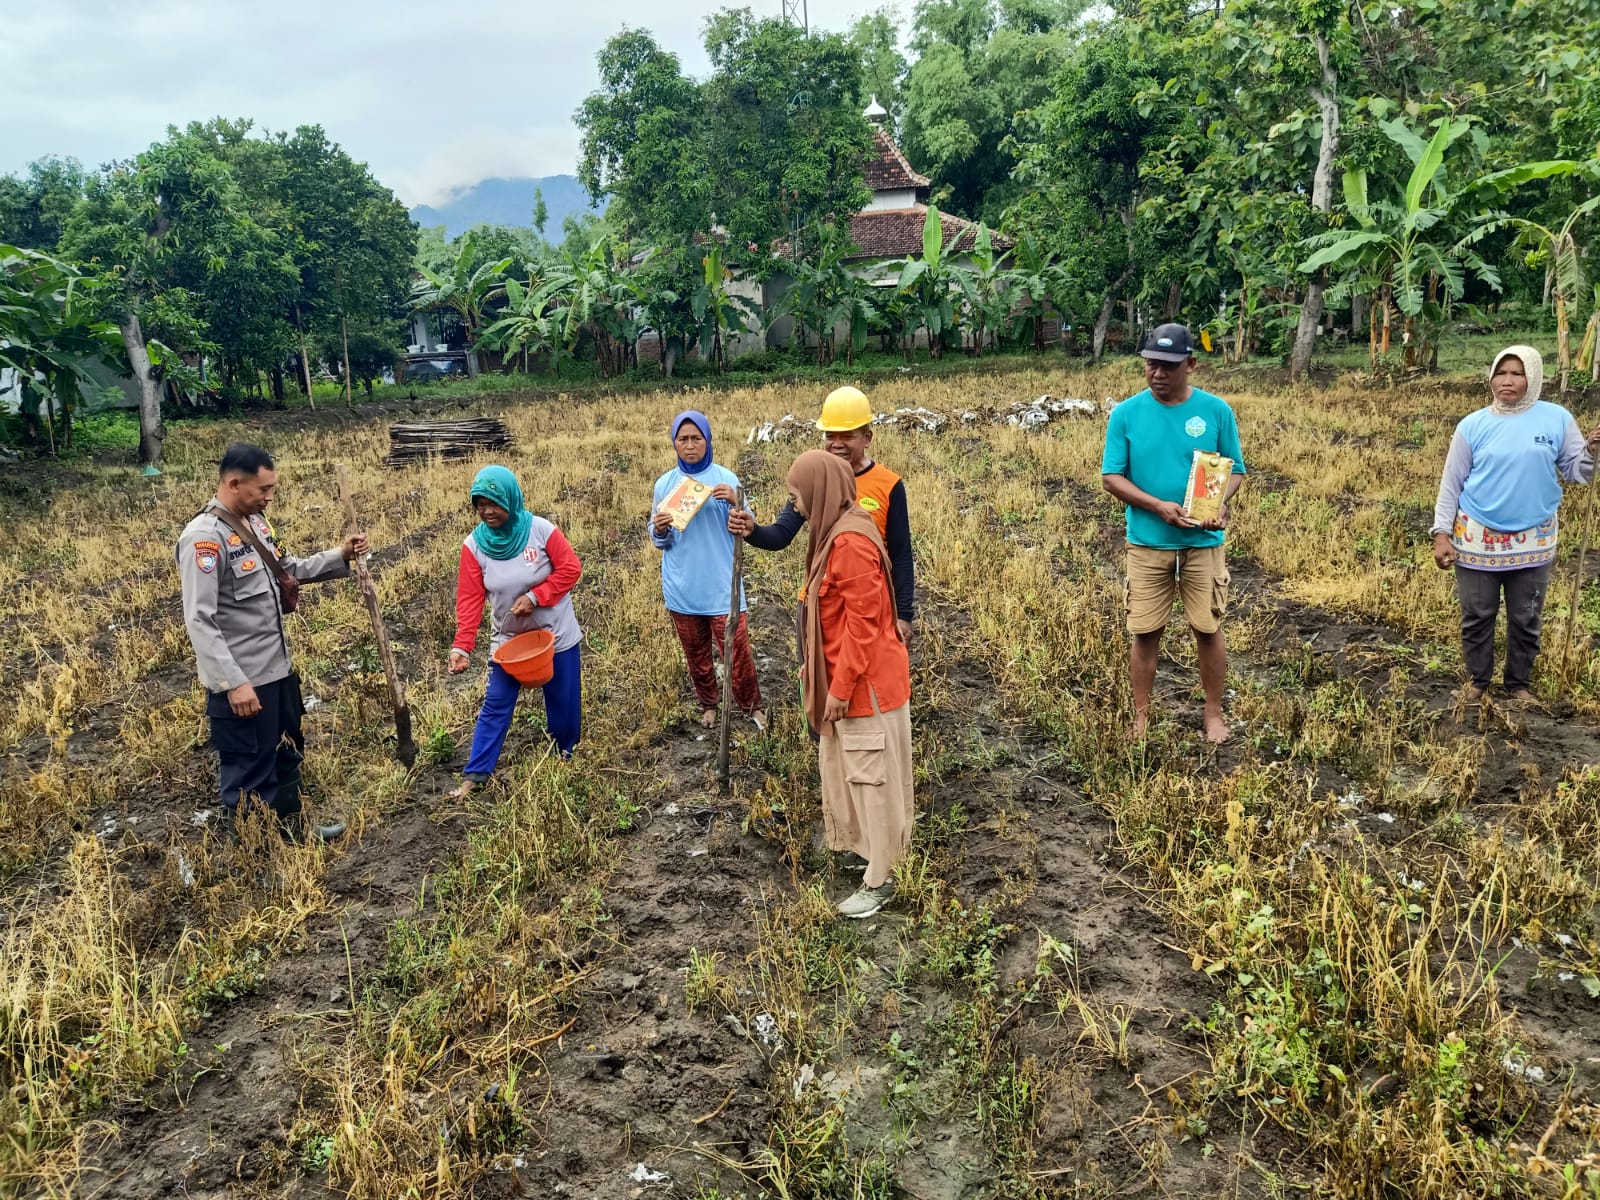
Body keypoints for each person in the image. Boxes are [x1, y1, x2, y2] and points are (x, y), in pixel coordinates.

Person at [177, 442, 365, 842]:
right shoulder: (204, 539)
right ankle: (257, 854)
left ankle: (294, 833)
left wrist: (341, 555)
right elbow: (200, 619)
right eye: (263, 489)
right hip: (244, 679)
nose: (269, 497)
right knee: (248, 769)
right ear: (233, 483)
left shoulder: (256, 525)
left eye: (271, 488)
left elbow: (288, 568)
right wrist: (233, 683)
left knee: (285, 752)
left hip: (277, 669)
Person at [1101, 323, 1246, 744]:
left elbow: (1234, 468)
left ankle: (1213, 714)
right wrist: (1157, 506)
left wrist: (1218, 505)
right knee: (1145, 631)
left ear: (1191, 364)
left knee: (1208, 628)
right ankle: (1141, 718)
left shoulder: (1216, 411)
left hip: (1202, 544)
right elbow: (1112, 477)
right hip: (1147, 542)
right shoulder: (1126, 414)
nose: (1158, 374)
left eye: (1168, 366)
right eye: (1151, 365)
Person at [1431, 345, 1600, 702]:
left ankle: (1518, 684)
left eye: (1517, 373)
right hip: (1477, 535)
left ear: (1534, 378)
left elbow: (1576, 471)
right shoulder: (1473, 425)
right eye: (1501, 373)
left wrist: (1590, 450)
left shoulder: (1556, 419)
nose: (1506, 381)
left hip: (1534, 537)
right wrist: (1441, 533)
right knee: (1477, 613)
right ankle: (1478, 681)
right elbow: (1452, 482)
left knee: (1526, 616)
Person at [789, 449, 914, 920]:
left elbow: (863, 627)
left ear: (820, 492)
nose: (796, 505)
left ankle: (881, 880)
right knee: (859, 774)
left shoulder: (850, 545)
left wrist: (838, 690)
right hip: (856, 683)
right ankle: (867, 850)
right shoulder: (839, 532)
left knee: (872, 779)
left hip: (865, 687)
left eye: (798, 495)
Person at [725, 386, 915, 641]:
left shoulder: (889, 485)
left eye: (846, 435)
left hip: (868, 606)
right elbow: (781, 534)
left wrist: (903, 615)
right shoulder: (816, 480)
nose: (836, 444)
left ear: (867, 438)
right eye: (829, 435)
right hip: (821, 604)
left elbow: (901, 555)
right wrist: (753, 531)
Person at [448, 466, 583, 796]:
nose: (487, 511)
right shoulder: (474, 546)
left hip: (555, 634)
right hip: (509, 639)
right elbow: (469, 599)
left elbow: (571, 569)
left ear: (510, 498)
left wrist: (537, 596)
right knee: (495, 703)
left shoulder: (539, 530)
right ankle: (475, 775)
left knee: (562, 705)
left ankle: (565, 758)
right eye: (479, 504)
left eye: (494, 503)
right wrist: (462, 646)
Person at [650, 411, 766, 730]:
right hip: (682, 586)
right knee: (696, 654)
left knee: (737, 652)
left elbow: (749, 526)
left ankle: (751, 705)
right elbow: (658, 538)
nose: (689, 446)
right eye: (683, 439)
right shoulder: (666, 485)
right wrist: (660, 528)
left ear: (708, 440)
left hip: (721, 587)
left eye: (696, 438)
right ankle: (709, 704)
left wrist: (736, 502)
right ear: (674, 443)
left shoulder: (727, 479)